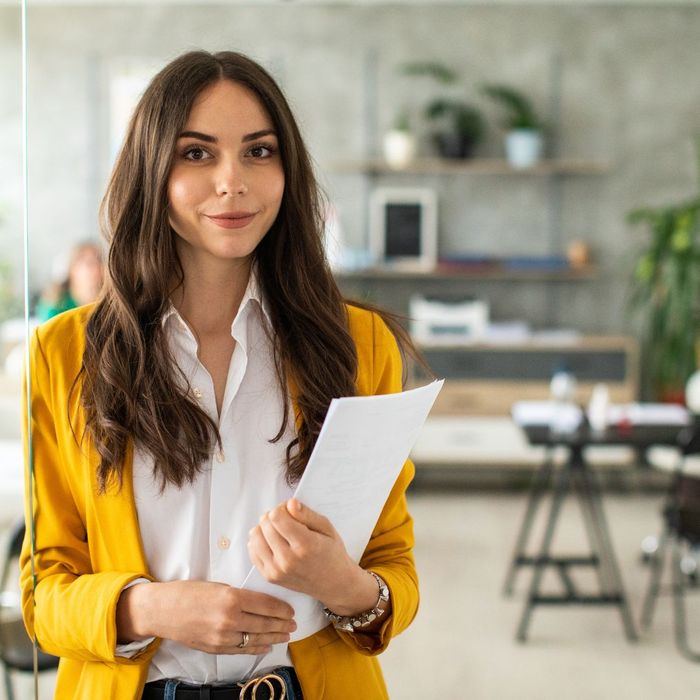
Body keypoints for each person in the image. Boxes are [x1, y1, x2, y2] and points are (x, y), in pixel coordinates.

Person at [20, 50, 419, 700]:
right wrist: (147, 608)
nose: (233, 182)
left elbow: (393, 569)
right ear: (151, 171)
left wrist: (341, 583)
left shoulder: (358, 346)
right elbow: (40, 594)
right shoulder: (63, 355)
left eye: (259, 152)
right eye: (197, 153)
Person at [34, 241, 104, 321]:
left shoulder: (109, 304)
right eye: (89, 263)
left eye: (99, 260)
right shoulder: (56, 306)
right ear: (72, 269)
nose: (97, 267)